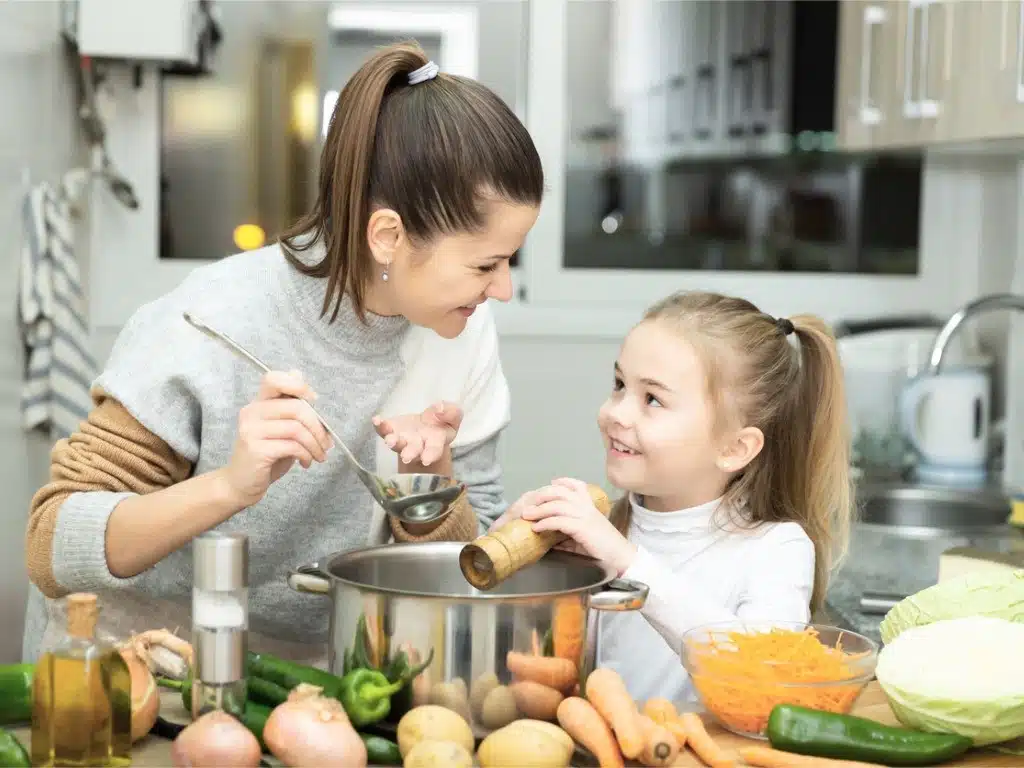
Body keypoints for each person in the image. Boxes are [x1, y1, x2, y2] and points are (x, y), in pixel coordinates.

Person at [23, 42, 544, 663]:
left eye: (510, 259)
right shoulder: (212, 319)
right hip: (133, 663)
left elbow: (479, 555)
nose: (504, 288)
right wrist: (230, 486)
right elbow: (52, 543)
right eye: (486, 263)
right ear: (388, 236)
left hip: (307, 676)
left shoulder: (464, 330)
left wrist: (431, 492)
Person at [492, 291, 853, 704]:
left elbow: (762, 681)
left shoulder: (776, 549)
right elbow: (533, 664)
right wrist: (510, 552)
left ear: (734, 448)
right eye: (619, 385)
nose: (615, 414)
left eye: (652, 400)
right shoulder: (608, 532)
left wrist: (628, 562)